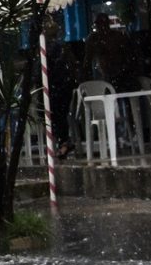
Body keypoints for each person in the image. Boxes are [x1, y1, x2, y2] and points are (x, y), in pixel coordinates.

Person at [44, 18, 79, 158]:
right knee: (58, 116)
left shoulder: (56, 48)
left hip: (58, 86)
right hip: (59, 86)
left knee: (58, 115)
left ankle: (63, 142)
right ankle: (62, 142)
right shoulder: (60, 47)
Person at [84, 13, 136, 92]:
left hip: (121, 76)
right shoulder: (93, 39)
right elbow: (87, 61)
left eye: (103, 24)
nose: (102, 27)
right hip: (108, 77)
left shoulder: (118, 37)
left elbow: (128, 56)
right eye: (100, 24)